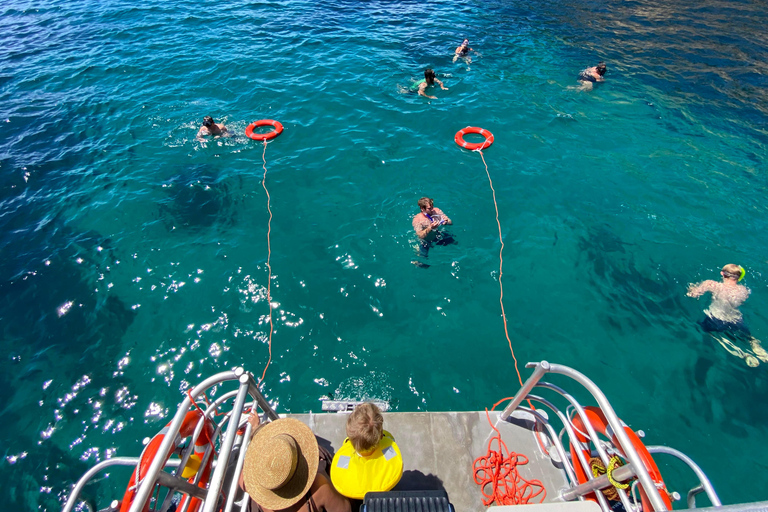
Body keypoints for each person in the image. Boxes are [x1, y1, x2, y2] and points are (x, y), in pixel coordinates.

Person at [240, 415, 351, 512]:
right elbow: (346, 509)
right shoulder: (319, 486)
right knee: (321, 455)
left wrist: (255, 429)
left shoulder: (249, 484)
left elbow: (242, 481)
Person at [687, 264, 768, 366]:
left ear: (722, 274)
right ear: (739, 277)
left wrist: (691, 288)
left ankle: (743, 354)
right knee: (748, 337)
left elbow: (693, 294)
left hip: (716, 320)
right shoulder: (744, 290)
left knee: (710, 333)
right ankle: (758, 349)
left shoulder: (712, 284)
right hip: (737, 320)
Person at [330, 403, 403, 500]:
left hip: (354, 496)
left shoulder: (342, 461)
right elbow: (389, 441)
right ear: (380, 435)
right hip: (383, 492)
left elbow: (345, 448)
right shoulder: (389, 450)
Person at [411, 197, 454, 266]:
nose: (432, 210)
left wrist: (446, 222)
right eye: (429, 208)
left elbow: (450, 222)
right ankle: (416, 257)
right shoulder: (417, 220)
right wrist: (430, 228)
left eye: (432, 207)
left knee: (454, 243)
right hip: (426, 241)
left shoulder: (436, 210)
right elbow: (420, 235)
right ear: (422, 208)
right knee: (422, 262)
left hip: (438, 235)